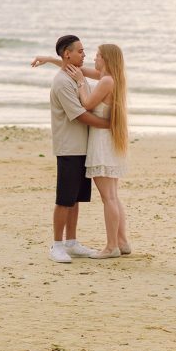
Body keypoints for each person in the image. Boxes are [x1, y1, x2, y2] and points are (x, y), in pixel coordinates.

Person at [33, 43, 131, 259]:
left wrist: (79, 84)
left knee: (109, 198)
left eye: (97, 55)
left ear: (105, 59)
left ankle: (111, 246)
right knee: (113, 196)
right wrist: (50, 59)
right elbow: (70, 65)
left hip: (102, 142)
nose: (92, 58)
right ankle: (122, 242)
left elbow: (86, 104)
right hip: (106, 141)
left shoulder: (105, 80)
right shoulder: (107, 76)